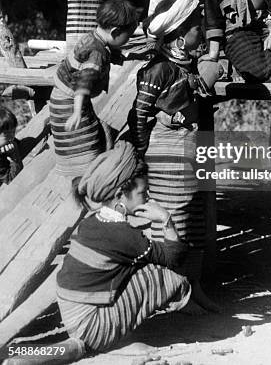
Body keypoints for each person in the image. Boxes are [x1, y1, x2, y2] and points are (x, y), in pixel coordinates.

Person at [128, 0, 219, 312]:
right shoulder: (158, 70)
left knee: (193, 220)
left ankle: (193, 289)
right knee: (173, 222)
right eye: (197, 24)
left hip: (189, 149)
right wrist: (140, 154)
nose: (201, 28)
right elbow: (138, 114)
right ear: (180, 37)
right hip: (167, 156)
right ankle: (171, 293)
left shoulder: (185, 64)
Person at [56, 140, 191, 356]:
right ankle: (108, 344)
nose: (148, 198)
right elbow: (175, 258)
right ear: (120, 195)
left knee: (141, 267)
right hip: (90, 325)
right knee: (163, 277)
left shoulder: (93, 220)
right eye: (143, 193)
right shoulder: (124, 235)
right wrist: (166, 219)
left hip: (72, 314)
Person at [49, 0, 137, 177]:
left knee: (92, 132)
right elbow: (83, 83)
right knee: (83, 142)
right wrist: (76, 112)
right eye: (128, 36)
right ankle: (88, 177)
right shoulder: (97, 54)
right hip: (71, 103)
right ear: (115, 32)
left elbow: (105, 55)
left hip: (60, 97)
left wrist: (130, 56)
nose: (129, 40)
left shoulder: (92, 37)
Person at [0, 107, 22, 185]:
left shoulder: (7, 142)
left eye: (13, 132)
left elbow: (17, 143)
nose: (12, 137)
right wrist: (14, 156)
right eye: (6, 134)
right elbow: (11, 180)